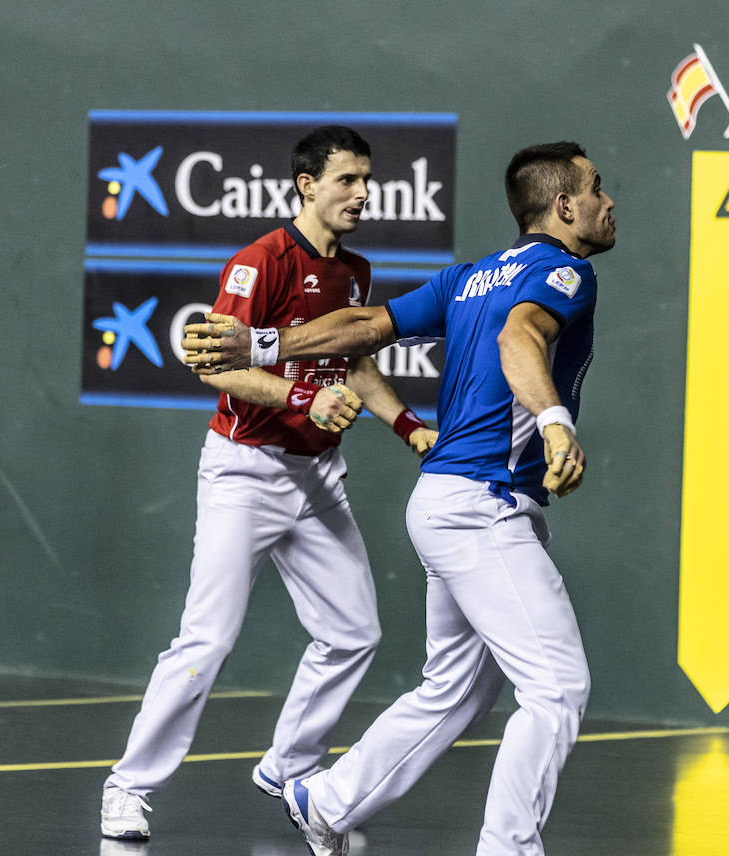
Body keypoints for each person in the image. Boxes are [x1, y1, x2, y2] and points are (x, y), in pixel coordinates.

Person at [183, 141, 614, 856]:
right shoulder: (564, 272)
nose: (609, 202)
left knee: (455, 689)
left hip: (443, 503)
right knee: (557, 687)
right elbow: (518, 339)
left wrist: (261, 343)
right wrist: (555, 420)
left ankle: (325, 800)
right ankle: (508, 849)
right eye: (597, 189)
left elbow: (366, 328)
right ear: (564, 206)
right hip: (481, 505)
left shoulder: (470, 276)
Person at [100, 126, 437, 841]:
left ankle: (289, 763)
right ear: (308, 185)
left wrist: (409, 426)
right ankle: (127, 786)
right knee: (206, 640)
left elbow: (355, 361)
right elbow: (216, 365)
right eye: (347, 180)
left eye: (367, 180)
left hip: (318, 477)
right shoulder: (261, 262)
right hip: (245, 471)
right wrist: (299, 397)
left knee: (353, 632)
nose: (363, 193)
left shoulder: (354, 271)